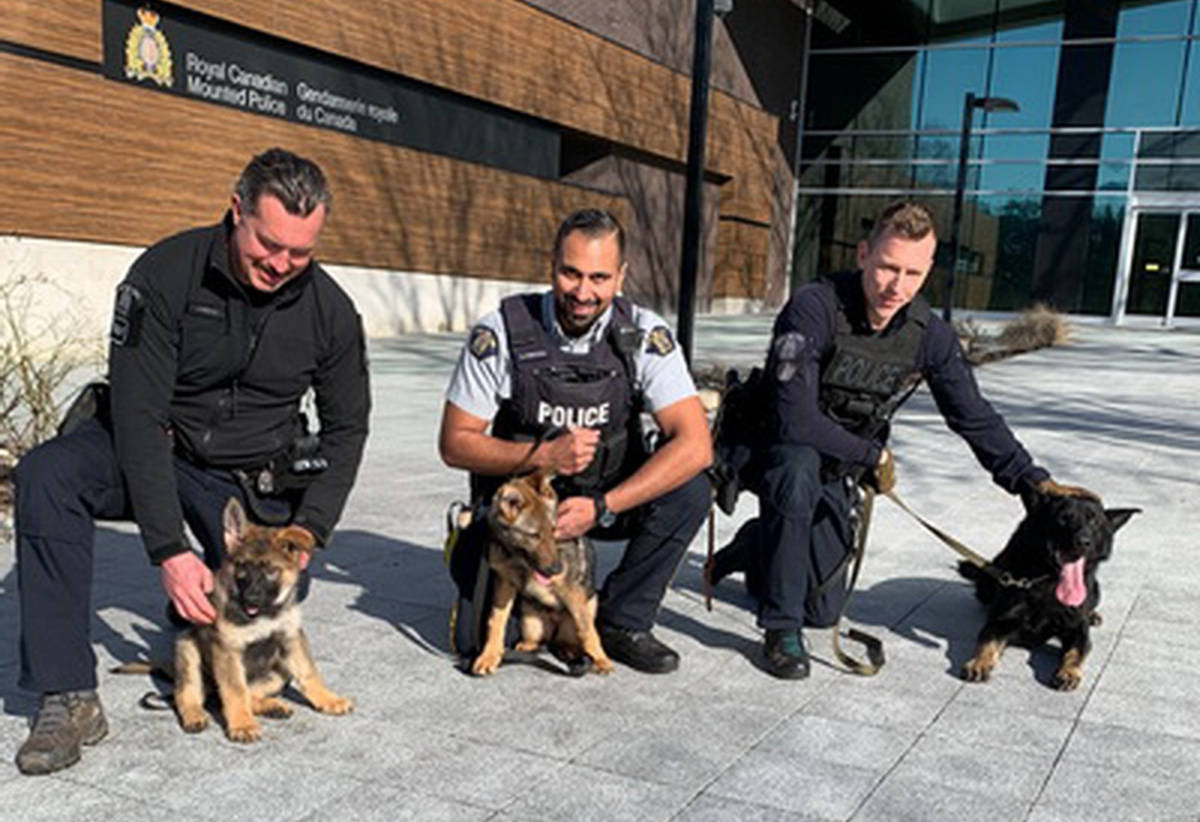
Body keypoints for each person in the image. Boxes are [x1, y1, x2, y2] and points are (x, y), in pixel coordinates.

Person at [13, 148, 371, 774]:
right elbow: (139, 414)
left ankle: (194, 622)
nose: (283, 266)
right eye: (269, 245)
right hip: (150, 446)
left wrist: (309, 527)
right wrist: (167, 549)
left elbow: (348, 427)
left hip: (243, 475)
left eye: (301, 253)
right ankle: (67, 694)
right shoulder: (164, 273)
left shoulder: (331, 312)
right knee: (48, 476)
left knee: (275, 589)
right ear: (237, 212)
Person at [707, 200, 1067, 680]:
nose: (897, 286)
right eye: (887, 267)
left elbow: (972, 415)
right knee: (795, 473)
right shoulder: (813, 307)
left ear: (929, 271)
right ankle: (779, 627)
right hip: (772, 446)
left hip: (837, 462)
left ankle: (753, 547)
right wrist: (870, 454)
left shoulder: (928, 334)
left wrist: (1031, 482)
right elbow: (793, 419)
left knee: (825, 609)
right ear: (863, 255)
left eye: (913, 274)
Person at [439, 208, 712, 674]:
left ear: (621, 276)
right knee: (472, 639)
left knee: (691, 489)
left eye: (600, 277)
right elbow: (454, 443)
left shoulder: (644, 334)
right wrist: (541, 455)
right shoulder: (502, 329)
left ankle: (623, 620)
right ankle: (501, 578)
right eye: (571, 273)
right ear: (552, 266)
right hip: (520, 515)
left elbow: (695, 444)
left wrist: (605, 505)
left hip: (606, 495)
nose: (583, 292)